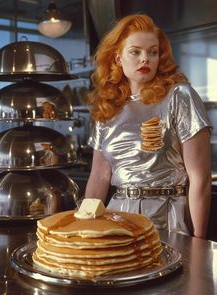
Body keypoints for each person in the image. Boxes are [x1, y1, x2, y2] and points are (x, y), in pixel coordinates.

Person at [84, 14, 212, 239]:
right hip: (117, 216)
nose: (145, 59)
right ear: (117, 58)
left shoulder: (179, 96)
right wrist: (83, 227)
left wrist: (199, 239)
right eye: (135, 52)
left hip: (168, 214)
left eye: (153, 52)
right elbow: (99, 177)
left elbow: (199, 176)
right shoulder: (107, 107)